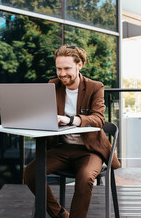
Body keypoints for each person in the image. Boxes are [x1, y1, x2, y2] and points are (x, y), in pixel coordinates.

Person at [24, 45, 120, 218]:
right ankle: (60, 214)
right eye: (58, 68)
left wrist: (70, 119)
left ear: (80, 65)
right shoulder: (53, 85)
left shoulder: (94, 87)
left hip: (89, 150)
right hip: (63, 148)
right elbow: (44, 112)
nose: (62, 74)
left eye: (67, 68)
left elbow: (99, 119)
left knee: (84, 178)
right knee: (30, 173)